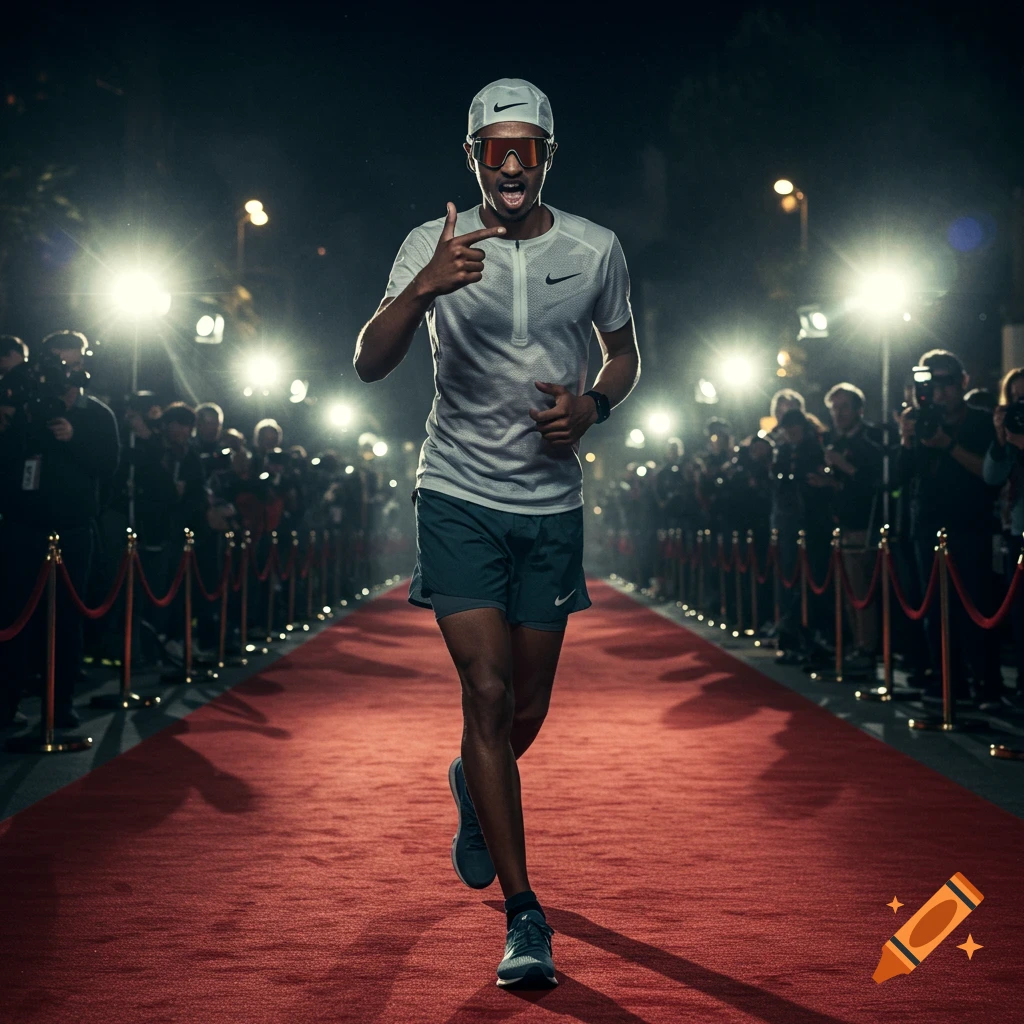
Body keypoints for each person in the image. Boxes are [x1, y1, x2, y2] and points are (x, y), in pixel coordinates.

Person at [353, 78, 639, 988]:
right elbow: (368, 362)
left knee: (526, 708)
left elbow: (624, 354)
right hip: (457, 493)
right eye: (494, 150)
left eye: (527, 150)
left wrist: (593, 406)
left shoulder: (594, 248)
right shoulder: (429, 244)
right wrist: (424, 288)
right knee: (486, 691)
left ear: (547, 158)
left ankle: (473, 785)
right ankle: (525, 914)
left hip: (550, 505)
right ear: (473, 157)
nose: (510, 164)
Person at [0, 330, 120, 729]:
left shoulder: (98, 414)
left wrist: (74, 437)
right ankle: (6, 704)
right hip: (22, 527)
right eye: (59, 364)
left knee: (67, 619)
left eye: (75, 364)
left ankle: (61, 701)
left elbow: (108, 466)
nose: (68, 373)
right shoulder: (25, 409)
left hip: (72, 530)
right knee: (14, 617)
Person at [899, 349, 1001, 709]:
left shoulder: (981, 422)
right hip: (928, 524)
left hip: (971, 525)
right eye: (932, 385)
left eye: (947, 383)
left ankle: (986, 684)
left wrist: (948, 445)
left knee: (975, 606)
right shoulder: (919, 421)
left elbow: (989, 475)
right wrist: (906, 439)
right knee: (934, 611)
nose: (940, 392)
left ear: (963, 382)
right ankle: (947, 681)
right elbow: (899, 479)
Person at [822, 383, 884, 660]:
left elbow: (875, 483)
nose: (839, 414)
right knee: (848, 593)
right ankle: (856, 644)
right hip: (842, 526)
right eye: (834, 409)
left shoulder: (872, 439)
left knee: (862, 593)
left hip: (864, 526)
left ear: (859, 409)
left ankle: (867, 648)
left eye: (844, 407)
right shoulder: (836, 442)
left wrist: (843, 466)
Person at [983, 367, 1024, 708]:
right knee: (1020, 614)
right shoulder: (1012, 436)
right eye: (1015, 399)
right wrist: (1001, 438)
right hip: (1017, 532)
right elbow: (991, 476)